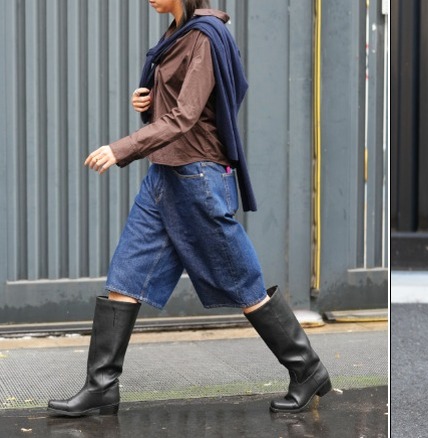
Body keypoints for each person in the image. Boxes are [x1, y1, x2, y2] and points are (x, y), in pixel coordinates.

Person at [47, 0, 331, 417]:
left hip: (196, 178)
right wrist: (148, 101)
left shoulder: (203, 36)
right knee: (126, 275)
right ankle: (101, 386)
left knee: (243, 281)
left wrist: (120, 148)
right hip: (164, 175)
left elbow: (186, 116)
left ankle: (306, 368)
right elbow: (176, 106)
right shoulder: (176, 33)